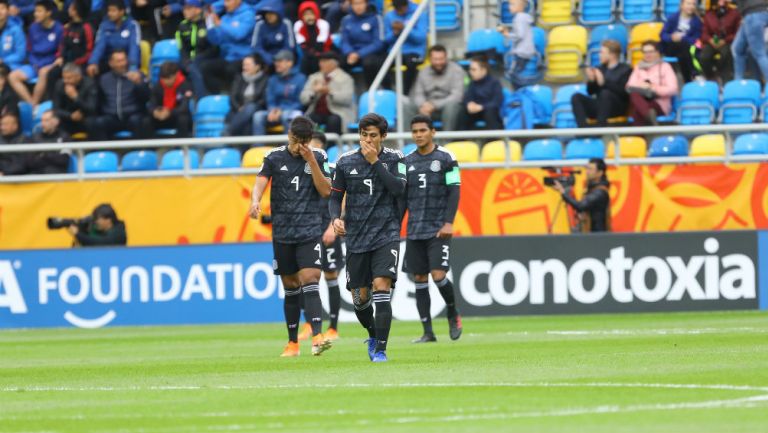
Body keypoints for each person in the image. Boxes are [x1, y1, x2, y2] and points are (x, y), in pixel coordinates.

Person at [248, 116, 334, 357]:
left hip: (309, 229)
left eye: (304, 142)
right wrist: (255, 201)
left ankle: (317, 336)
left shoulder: (319, 157)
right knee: (290, 286)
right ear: (289, 136)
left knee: (310, 278)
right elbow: (261, 181)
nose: (299, 147)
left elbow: (326, 190)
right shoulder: (274, 157)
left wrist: (311, 161)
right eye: (296, 142)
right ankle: (293, 342)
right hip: (283, 232)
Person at [329, 113, 406, 363]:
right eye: (364, 135)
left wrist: (375, 162)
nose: (368, 140)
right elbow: (334, 197)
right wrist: (335, 219)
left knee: (382, 287)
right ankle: (373, 335)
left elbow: (398, 188)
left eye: (373, 135)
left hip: (386, 234)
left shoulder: (396, 158)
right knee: (360, 299)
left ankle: (381, 350)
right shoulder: (344, 162)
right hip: (356, 238)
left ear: (383, 136)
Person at [403, 115, 463, 343]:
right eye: (415, 131)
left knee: (438, 275)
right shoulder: (407, 161)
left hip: (438, 228)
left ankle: (452, 312)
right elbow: (402, 197)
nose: (418, 134)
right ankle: (428, 332)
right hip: (415, 229)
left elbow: (455, 190)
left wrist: (448, 222)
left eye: (422, 130)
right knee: (419, 278)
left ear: (432, 132)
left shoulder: (447, 157)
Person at [298, 131, 344, 341]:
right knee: (303, 277)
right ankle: (309, 323)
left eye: (314, 145)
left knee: (330, 275)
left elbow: (342, 199)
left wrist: (331, 228)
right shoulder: (300, 171)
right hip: (306, 231)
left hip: (326, 230)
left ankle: (333, 327)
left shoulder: (333, 170)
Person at [86, 49, 150, 140]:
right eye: (118, 61)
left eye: (123, 60)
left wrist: (139, 84)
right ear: (111, 63)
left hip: (132, 115)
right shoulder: (103, 79)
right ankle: (102, 153)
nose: (122, 64)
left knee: (140, 121)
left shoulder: (138, 76)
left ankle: (139, 153)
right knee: (97, 123)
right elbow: (98, 101)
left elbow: (147, 97)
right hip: (111, 117)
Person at [8, 0, 62, 105]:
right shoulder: (33, 27)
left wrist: (44, 65)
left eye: (39, 11)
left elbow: (60, 52)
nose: (35, 14)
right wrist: (35, 63)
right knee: (12, 76)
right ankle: (32, 104)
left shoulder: (59, 29)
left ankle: (34, 105)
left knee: (43, 72)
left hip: (50, 64)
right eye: (35, 11)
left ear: (48, 12)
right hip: (34, 64)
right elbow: (30, 49)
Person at [571, 40, 632, 128]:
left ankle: (600, 128)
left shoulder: (626, 69)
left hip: (617, 107)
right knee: (576, 97)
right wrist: (592, 81)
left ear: (612, 55)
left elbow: (624, 92)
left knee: (605, 93)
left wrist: (604, 83)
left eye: (602, 53)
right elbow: (590, 92)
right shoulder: (600, 68)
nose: (599, 55)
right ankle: (583, 129)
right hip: (600, 106)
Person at [404, 45, 464, 130]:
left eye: (441, 59)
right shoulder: (423, 72)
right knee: (407, 106)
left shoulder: (457, 70)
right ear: (430, 59)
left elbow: (457, 96)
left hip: (446, 107)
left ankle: (446, 141)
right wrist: (423, 105)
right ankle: (409, 142)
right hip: (426, 108)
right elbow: (418, 93)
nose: (438, 62)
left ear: (446, 58)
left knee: (451, 106)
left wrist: (434, 105)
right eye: (435, 59)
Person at [202, 0, 255, 93]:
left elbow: (239, 34)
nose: (225, 5)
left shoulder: (248, 14)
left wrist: (220, 24)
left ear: (238, 1)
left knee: (231, 69)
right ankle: (219, 97)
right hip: (228, 58)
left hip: (244, 57)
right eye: (225, 2)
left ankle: (233, 97)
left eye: (228, 1)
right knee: (206, 67)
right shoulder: (225, 18)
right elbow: (216, 41)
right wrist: (210, 25)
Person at [45, 0, 94, 101]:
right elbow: (62, 45)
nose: (68, 9)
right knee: (52, 73)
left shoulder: (87, 27)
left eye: (71, 7)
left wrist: (77, 62)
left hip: (80, 64)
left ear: (76, 11)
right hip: (66, 62)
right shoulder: (68, 27)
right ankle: (52, 101)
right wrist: (60, 57)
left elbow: (89, 50)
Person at [252, 49, 305, 136]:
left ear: (290, 63)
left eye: (280, 61)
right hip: (275, 112)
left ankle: (289, 147)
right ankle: (258, 147)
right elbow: (270, 99)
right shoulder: (273, 79)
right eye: (276, 61)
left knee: (286, 116)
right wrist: (273, 110)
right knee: (258, 116)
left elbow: (300, 101)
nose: (276, 64)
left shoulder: (300, 78)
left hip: (293, 110)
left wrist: (282, 110)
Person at [300, 51, 354, 136]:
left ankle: (331, 147)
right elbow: (303, 98)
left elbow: (347, 99)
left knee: (334, 120)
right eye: (320, 61)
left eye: (324, 61)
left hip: (338, 113)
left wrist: (329, 92)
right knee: (308, 120)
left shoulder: (345, 78)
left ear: (334, 63)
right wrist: (313, 92)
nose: (321, 64)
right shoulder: (314, 77)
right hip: (317, 113)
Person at [626, 41, 679, 126]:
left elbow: (673, 89)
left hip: (659, 103)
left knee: (638, 110)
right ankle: (649, 116)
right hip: (642, 101)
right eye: (645, 52)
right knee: (635, 95)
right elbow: (629, 85)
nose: (647, 54)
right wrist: (642, 86)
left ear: (657, 52)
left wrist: (653, 87)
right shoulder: (638, 67)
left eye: (650, 51)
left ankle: (638, 137)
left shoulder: (665, 67)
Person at [552, 158, 611, 233]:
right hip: (591, 234)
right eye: (587, 168)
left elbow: (581, 206)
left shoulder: (600, 192)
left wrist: (563, 192)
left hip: (598, 236)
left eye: (590, 169)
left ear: (600, 172)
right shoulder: (592, 189)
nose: (587, 172)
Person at [87, 0, 142, 77]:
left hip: (126, 63)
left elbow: (134, 47)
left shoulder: (132, 25)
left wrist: (133, 67)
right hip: (108, 63)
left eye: (113, 11)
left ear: (122, 12)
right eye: (109, 10)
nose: (110, 13)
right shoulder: (104, 26)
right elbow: (99, 46)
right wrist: (93, 62)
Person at [175, 0, 218, 98]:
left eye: (188, 8)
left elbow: (214, 48)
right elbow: (182, 48)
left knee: (194, 68)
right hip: (188, 60)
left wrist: (196, 59)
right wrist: (186, 61)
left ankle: (201, 99)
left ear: (198, 10)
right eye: (184, 8)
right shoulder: (182, 26)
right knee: (169, 69)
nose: (184, 11)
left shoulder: (207, 24)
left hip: (206, 59)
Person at [383, 0, 426, 95]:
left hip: (415, 51)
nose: (397, 10)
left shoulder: (419, 14)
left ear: (406, 5)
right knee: (379, 62)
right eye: (395, 7)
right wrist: (394, 33)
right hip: (395, 52)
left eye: (400, 8)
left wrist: (405, 29)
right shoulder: (389, 16)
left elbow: (421, 38)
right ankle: (389, 92)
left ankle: (404, 94)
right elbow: (386, 40)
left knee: (411, 63)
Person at [340, 0, 385, 87]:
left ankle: (370, 92)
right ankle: (345, 94)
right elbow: (344, 41)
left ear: (366, 4)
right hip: (352, 53)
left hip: (371, 53)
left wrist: (359, 54)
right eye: (355, 4)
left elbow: (379, 42)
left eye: (361, 3)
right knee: (340, 62)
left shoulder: (376, 18)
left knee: (369, 63)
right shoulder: (346, 20)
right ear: (351, 5)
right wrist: (350, 53)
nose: (358, 6)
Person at [223, 53, 268, 137]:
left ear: (257, 66)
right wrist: (239, 108)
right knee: (246, 123)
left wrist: (248, 108)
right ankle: (240, 149)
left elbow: (264, 99)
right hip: (239, 110)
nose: (244, 67)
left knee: (251, 108)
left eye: (248, 65)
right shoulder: (239, 78)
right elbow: (232, 96)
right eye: (243, 65)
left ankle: (228, 132)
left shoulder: (265, 80)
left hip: (257, 107)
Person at [145, 61, 193, 138]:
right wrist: (155, 112)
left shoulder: (185, 85)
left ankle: (181, 148)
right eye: (163, 79)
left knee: (183, 119)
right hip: (162, 116)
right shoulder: (158, 86)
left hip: (176, 115)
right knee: (146, 121)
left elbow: (185, 107)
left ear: (176, 74)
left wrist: (169, 112)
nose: (166, 81)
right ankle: (149, 148)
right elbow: (152, 103)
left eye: (169, 78)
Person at [660, 0, 702, 82]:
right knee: (684, 50)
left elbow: (696, 38)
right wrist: (671, 37)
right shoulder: (673, 18)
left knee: (684, 50)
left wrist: (682, 38)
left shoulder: (697, 21)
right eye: (688, 4)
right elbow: (663, 34)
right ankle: (692, 75)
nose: (691, 6)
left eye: (693, 4)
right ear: (682, 5)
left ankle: (685, 79)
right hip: (671, 46)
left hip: (686, 47)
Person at [457, 56, 503, 131]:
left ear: (483, 70)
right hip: (475, 112)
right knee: (463, 111)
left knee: (490, 112)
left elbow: (497, 102)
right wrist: (469, 104)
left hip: (489, 111)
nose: (470, 72)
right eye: (470, 69)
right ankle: (461, 140)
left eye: (474, 70)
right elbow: (466, 98)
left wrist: (482, 107)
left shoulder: (495, 83)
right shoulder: (472, 83)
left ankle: (492, 141)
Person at [497, 0, 536, 87]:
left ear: (521, 6)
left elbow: (519, 35)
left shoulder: (518, 18)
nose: (509, 7)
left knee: (514, 75)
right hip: (528, 51)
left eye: (512, 4)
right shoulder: (526, 17)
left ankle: (519, 92)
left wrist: (507, 34)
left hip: (521, 52)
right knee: (517, 74)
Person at [700, 0, 740, 82]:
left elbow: (738, 32)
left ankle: (725, 78)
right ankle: (711, 78)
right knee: (704, 57)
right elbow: (704, 33)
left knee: (725, 54)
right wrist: (710, 40)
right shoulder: (708, 14)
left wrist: (725, 40)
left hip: (728, 42)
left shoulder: (735, 13)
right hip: (712, 42)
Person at [53, 63, 98, 136]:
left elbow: (92, 108)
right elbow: (56, 109)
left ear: (78, 76)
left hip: (85, 117)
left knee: (92, 122)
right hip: (67, 117)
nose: (66, 81)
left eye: (69, 78)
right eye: (64, 78)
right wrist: (70, 115)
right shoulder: (59, 84)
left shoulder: (90, 84)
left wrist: (75, 97)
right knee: (55, 121)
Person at [293, 0, 333, 76]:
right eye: (306, 14)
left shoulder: (323, 24)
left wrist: (314, 54)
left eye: (311, 14)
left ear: (316, 13)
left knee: (317, 61)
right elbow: (303, 45)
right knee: (306, 61)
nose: (309, 17)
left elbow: (320, 44)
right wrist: (309, 53)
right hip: (308, 51)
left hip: (325, 49)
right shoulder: (298, 25)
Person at [252, 0, 295, 67]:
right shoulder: (260, 25)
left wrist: (278, 59)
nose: (269, 16)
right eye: (266, 13)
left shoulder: (286, 23)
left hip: (283, 58)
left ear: (278, 13)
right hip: (265, 60)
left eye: (271, 13)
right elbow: (256, 46)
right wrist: (268, 58)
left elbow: (290, 46)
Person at [732, 0, 768, 81]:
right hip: (753, 13)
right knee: (738, 49)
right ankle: (738, 82)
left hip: (753, 14)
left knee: (759, 53)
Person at [28, 110, 70, 174]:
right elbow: (30, 161)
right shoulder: (35, 137)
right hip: (37, 173)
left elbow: (63, 160)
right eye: (42, 120)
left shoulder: (65, 137)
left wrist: (43, 155)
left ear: (56, 122)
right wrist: (52, 155)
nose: (43, 124)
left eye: (46, 120)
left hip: (57, 175)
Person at [0, 0, 27, 74]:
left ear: (8, 11)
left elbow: (20, 54)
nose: (0, 11)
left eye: (2, 8)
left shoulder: (16, 29)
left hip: (11, 66)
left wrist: (3, 60)